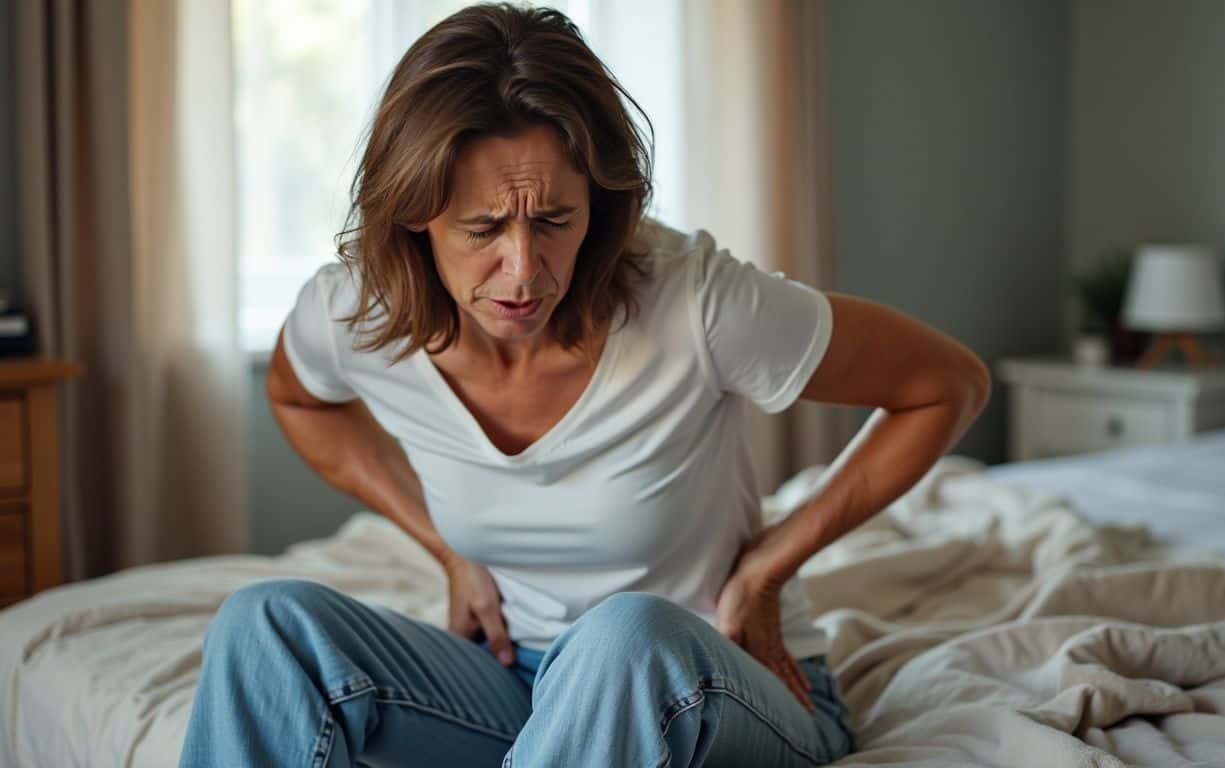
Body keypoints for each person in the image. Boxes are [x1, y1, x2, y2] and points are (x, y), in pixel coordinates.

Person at [177, 3, 990, 767]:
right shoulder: (354, 310)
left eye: (556, 221)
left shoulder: (697, 301)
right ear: (415, 216)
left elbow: (946, 382)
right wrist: (444, 547)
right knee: (266, 624)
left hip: (727, 687)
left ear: (601, 207)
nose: (524, 271)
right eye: (484, 229)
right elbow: (298, 399)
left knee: (625, 635)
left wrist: (771, 562)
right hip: (515, 686)